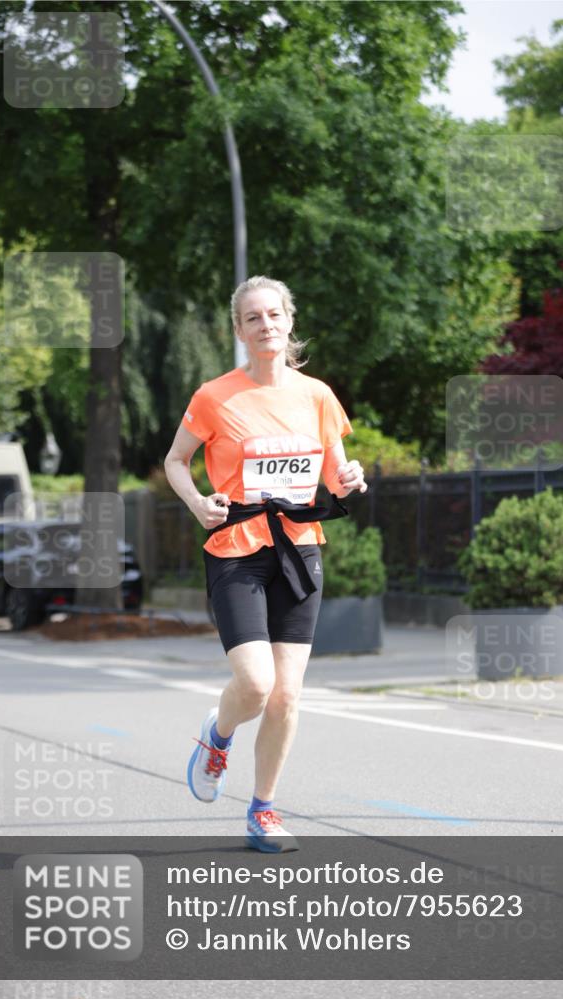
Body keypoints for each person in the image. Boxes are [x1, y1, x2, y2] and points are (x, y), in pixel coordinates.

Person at [164, 275, 366, 853]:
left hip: (299, 549)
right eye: (253, 317)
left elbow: (336, 475)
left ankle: (263, 811)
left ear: (289, 320)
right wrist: (198, 503)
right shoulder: (215, 396)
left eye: (274, 314)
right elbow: (176, 461)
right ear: (239, 329)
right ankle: (218, 735)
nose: (266, 325)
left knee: (286, 696)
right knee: (255, 684)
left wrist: (351, 478)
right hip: (236, 549)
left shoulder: (317, 395)